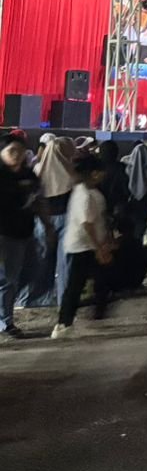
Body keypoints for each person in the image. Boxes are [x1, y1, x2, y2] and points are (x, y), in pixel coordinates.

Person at [53, 156, 114, 338]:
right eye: (101, 172)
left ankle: (94, 313)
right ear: (94, 173)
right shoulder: (84, 195)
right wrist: (99, 248)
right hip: (82, 246)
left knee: (95, 281)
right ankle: (64, 323)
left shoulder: (88, 191)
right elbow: (87, 224)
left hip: (87, 245)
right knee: (75, 286)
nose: (103, 175)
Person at [0, 135, 40, 339]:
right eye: (11, 151)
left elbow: (38, 200)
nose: (17, 155)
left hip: (24, 233)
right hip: (4, 234)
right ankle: (5, 321)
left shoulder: (28, 174)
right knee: (8, 279)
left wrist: (48, 225)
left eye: (21, 151)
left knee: (27, 274)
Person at [33, 133, 77, 306]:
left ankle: (38, 297)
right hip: (66, 219)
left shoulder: (38, 169)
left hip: (43, 221)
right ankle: (63, 298)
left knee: (42, 259)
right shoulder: (73, 172)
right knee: (65, 262)